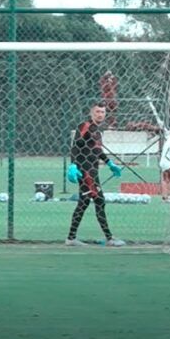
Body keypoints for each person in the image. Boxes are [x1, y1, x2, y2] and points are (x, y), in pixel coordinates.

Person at [65, 102, 125, 247]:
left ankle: (71, 238)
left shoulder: (97, 131)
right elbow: (75, 146)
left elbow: (97, 151)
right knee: (99, 201)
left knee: (85, 202)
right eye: (97, 112)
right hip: (86, 172)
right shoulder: (84, 126)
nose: (100, 115)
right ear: (91, 113)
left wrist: (109, 163)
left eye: (103, 112)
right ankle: (109, 238)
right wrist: (73, 164)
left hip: (93, 171)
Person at [160, 129, 170, 202]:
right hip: (169, 163)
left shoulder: (167, 141)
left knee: (165, 179)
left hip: (164, 162)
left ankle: (165, 196)